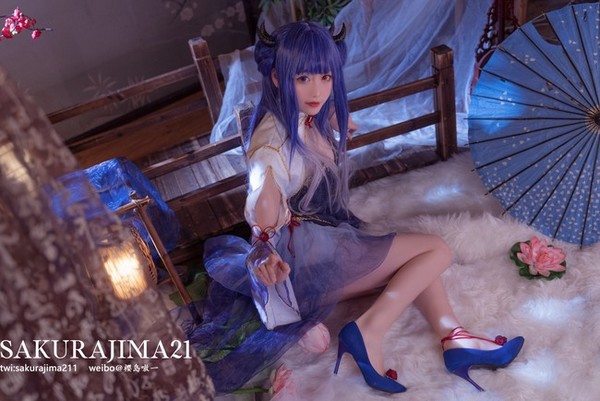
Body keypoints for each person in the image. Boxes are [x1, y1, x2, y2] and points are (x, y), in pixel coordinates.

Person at [198, 21, 524, 394]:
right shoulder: (270, 145)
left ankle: (455, 338)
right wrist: (261, 248)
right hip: (299, 269)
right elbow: (263, 194)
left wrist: (329, 120)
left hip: (315, 251)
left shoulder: (302, 114)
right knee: (436, 250)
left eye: (325, 77)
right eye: (303, 78)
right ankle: (369, 330)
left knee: (416, 264)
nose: (317, 90)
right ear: (276, 77)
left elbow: (312, 131)